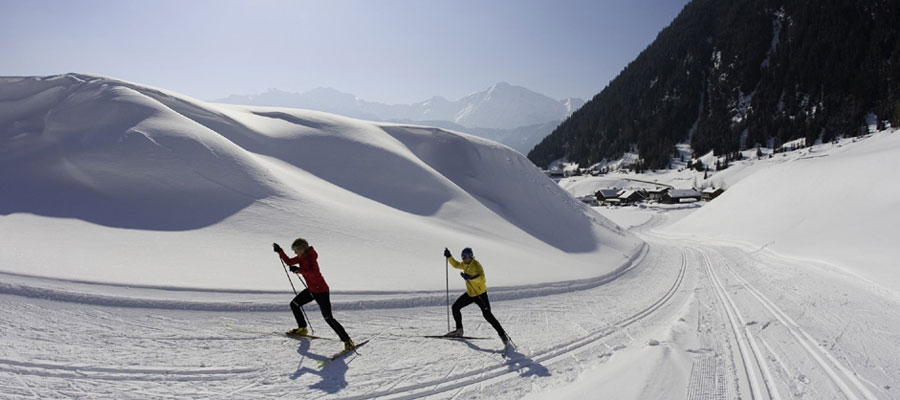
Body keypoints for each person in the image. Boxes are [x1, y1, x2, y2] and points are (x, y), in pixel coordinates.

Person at [274, 238, 355, 351]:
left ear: (302, 249)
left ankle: (347, 341)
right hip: (312, 290)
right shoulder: (302, 257)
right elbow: (289, 261)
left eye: (296, 251)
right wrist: (280, 251)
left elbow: (314, 272)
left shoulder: (311, 258)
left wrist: (299, 270)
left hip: (321, 291)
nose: (295, 253)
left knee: (328, 318)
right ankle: (302, 328)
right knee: (294, 304)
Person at [443, 247, 509, 345]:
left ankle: (503, 335)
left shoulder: (476, 266)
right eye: (462, 257)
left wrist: (470, 278)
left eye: (465, 257)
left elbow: (481, 279)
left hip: (480, 294)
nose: (463, 259)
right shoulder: (465, 264)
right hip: (470, 294)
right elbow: (456, 265)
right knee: (455, 307)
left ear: (470, 256)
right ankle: (459, 330)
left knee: (488, 315)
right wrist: (449, 257)